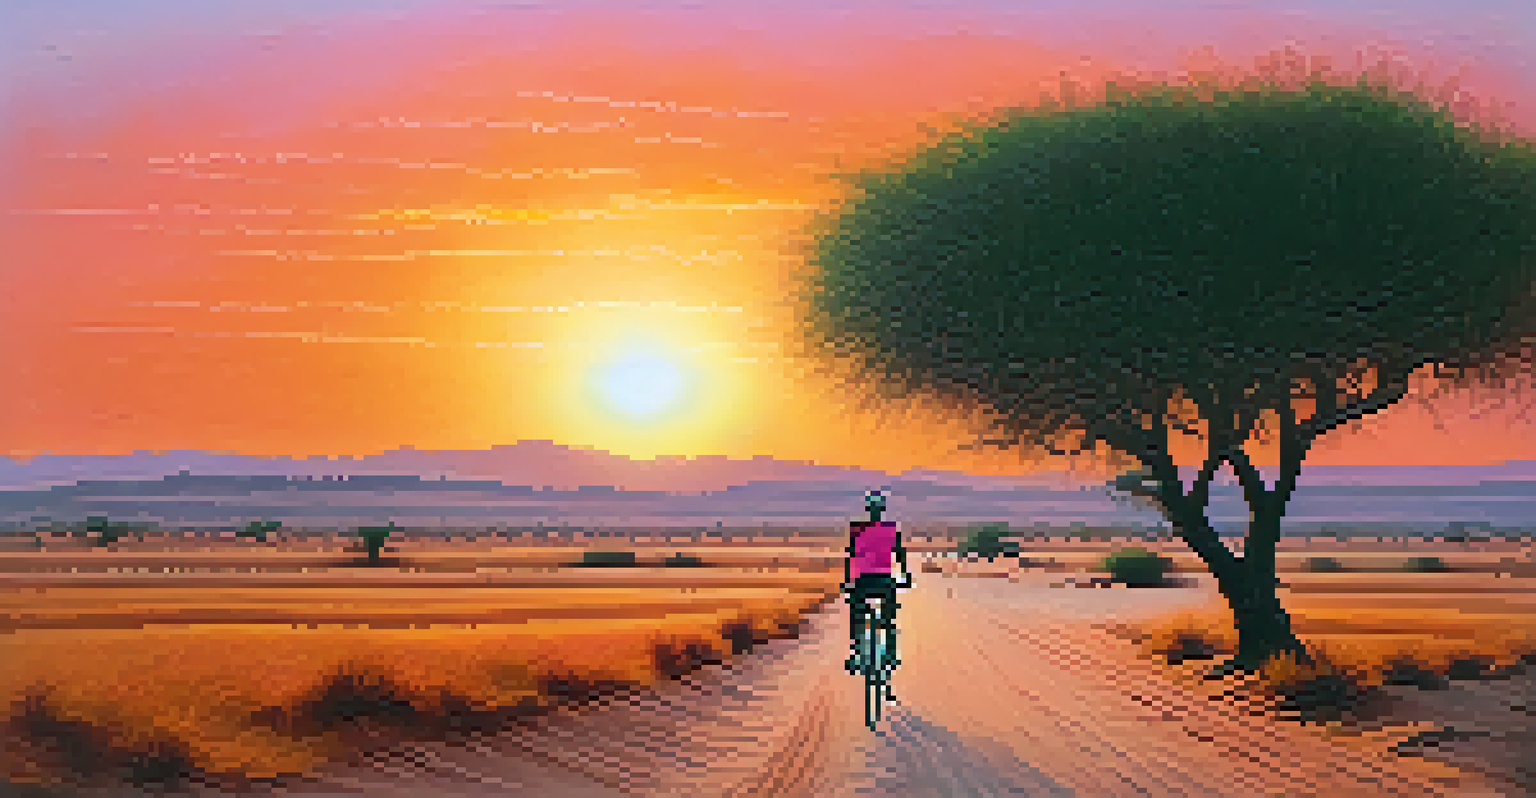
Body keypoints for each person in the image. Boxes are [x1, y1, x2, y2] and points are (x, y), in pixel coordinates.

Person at [842, 489, 911, 686]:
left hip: (861, 580)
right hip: (883, 580)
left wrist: (848, 580)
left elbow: (850, 556)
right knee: (889, 616)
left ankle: (856, 653)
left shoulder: (857, 529)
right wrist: (905, 575)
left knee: (856, 614)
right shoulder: (890, 529)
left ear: (867, 510)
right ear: (882, 510)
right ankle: (889, 653)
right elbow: (900, 554)